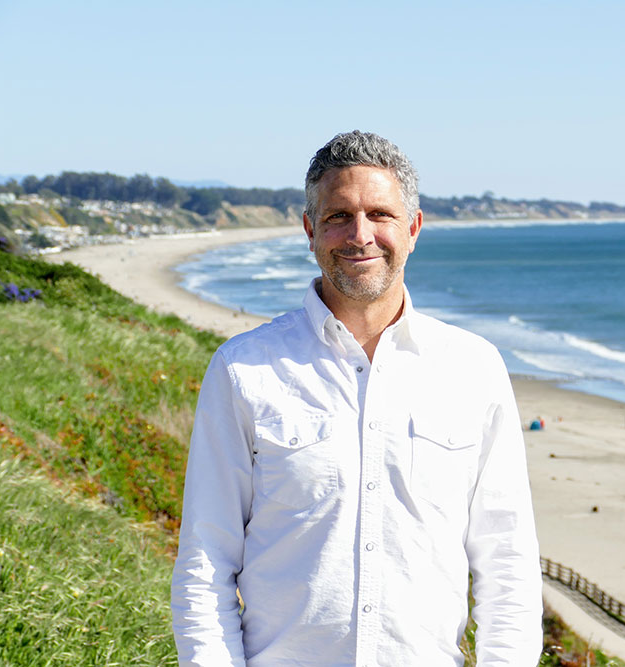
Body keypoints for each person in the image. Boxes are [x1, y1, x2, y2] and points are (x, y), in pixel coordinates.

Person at [171, 131, 542, 666]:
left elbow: (508, 567)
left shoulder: (474, 369)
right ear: (309, 230)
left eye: (380, 215)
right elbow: (205, 564)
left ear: (412, 229)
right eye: (338, 216)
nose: (360, 234)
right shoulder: (244, 370)